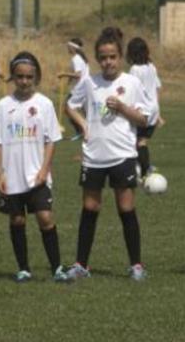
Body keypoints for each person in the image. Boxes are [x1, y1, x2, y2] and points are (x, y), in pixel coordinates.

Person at [64, 30, 155, 281]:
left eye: (113, 57)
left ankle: (136, 265)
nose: (108, 62)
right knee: (90, 207)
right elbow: (70, 106)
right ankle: (81, 265)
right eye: (103, 57)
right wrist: (83, 125)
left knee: (126, 207)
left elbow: (145, 118)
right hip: (93, 156)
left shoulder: (132, 83)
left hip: (123, 154)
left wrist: (123, 107)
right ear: (96, 58)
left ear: (120, 56)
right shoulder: (89, 82)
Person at [0, 52, 68, 283]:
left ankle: (57, 268)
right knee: (17, 220)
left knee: (45, 217)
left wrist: (45, 170)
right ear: (13, 77)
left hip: (37, 175)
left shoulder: (44, 104)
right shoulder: (4, 106)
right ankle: (23, 268)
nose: (24, 81)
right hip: (12, 175)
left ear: (36, 77)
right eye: (20, 76)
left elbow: (51, 140)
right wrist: (0, 173)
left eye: (29, 77)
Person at [126, 37, 163, 179]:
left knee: (136, 140)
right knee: (142, 140)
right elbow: (158, 88)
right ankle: (144, 167)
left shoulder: (135, 69)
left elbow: (131, 90)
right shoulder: (151, 66)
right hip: (153, 109)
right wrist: (158, 113)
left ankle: (143, 169)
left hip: (142, 110)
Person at [57, 38, 89, 140]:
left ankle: (82, 130)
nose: (67, 48)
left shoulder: (76, 58)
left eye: (68, 46)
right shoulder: (80, 58)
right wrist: (69, 81)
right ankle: (83, 130)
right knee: (84, 109)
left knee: (68, 108)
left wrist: (64, 74)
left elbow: (78, 75)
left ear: (73, 47)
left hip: (80, 87)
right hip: (83, 86)